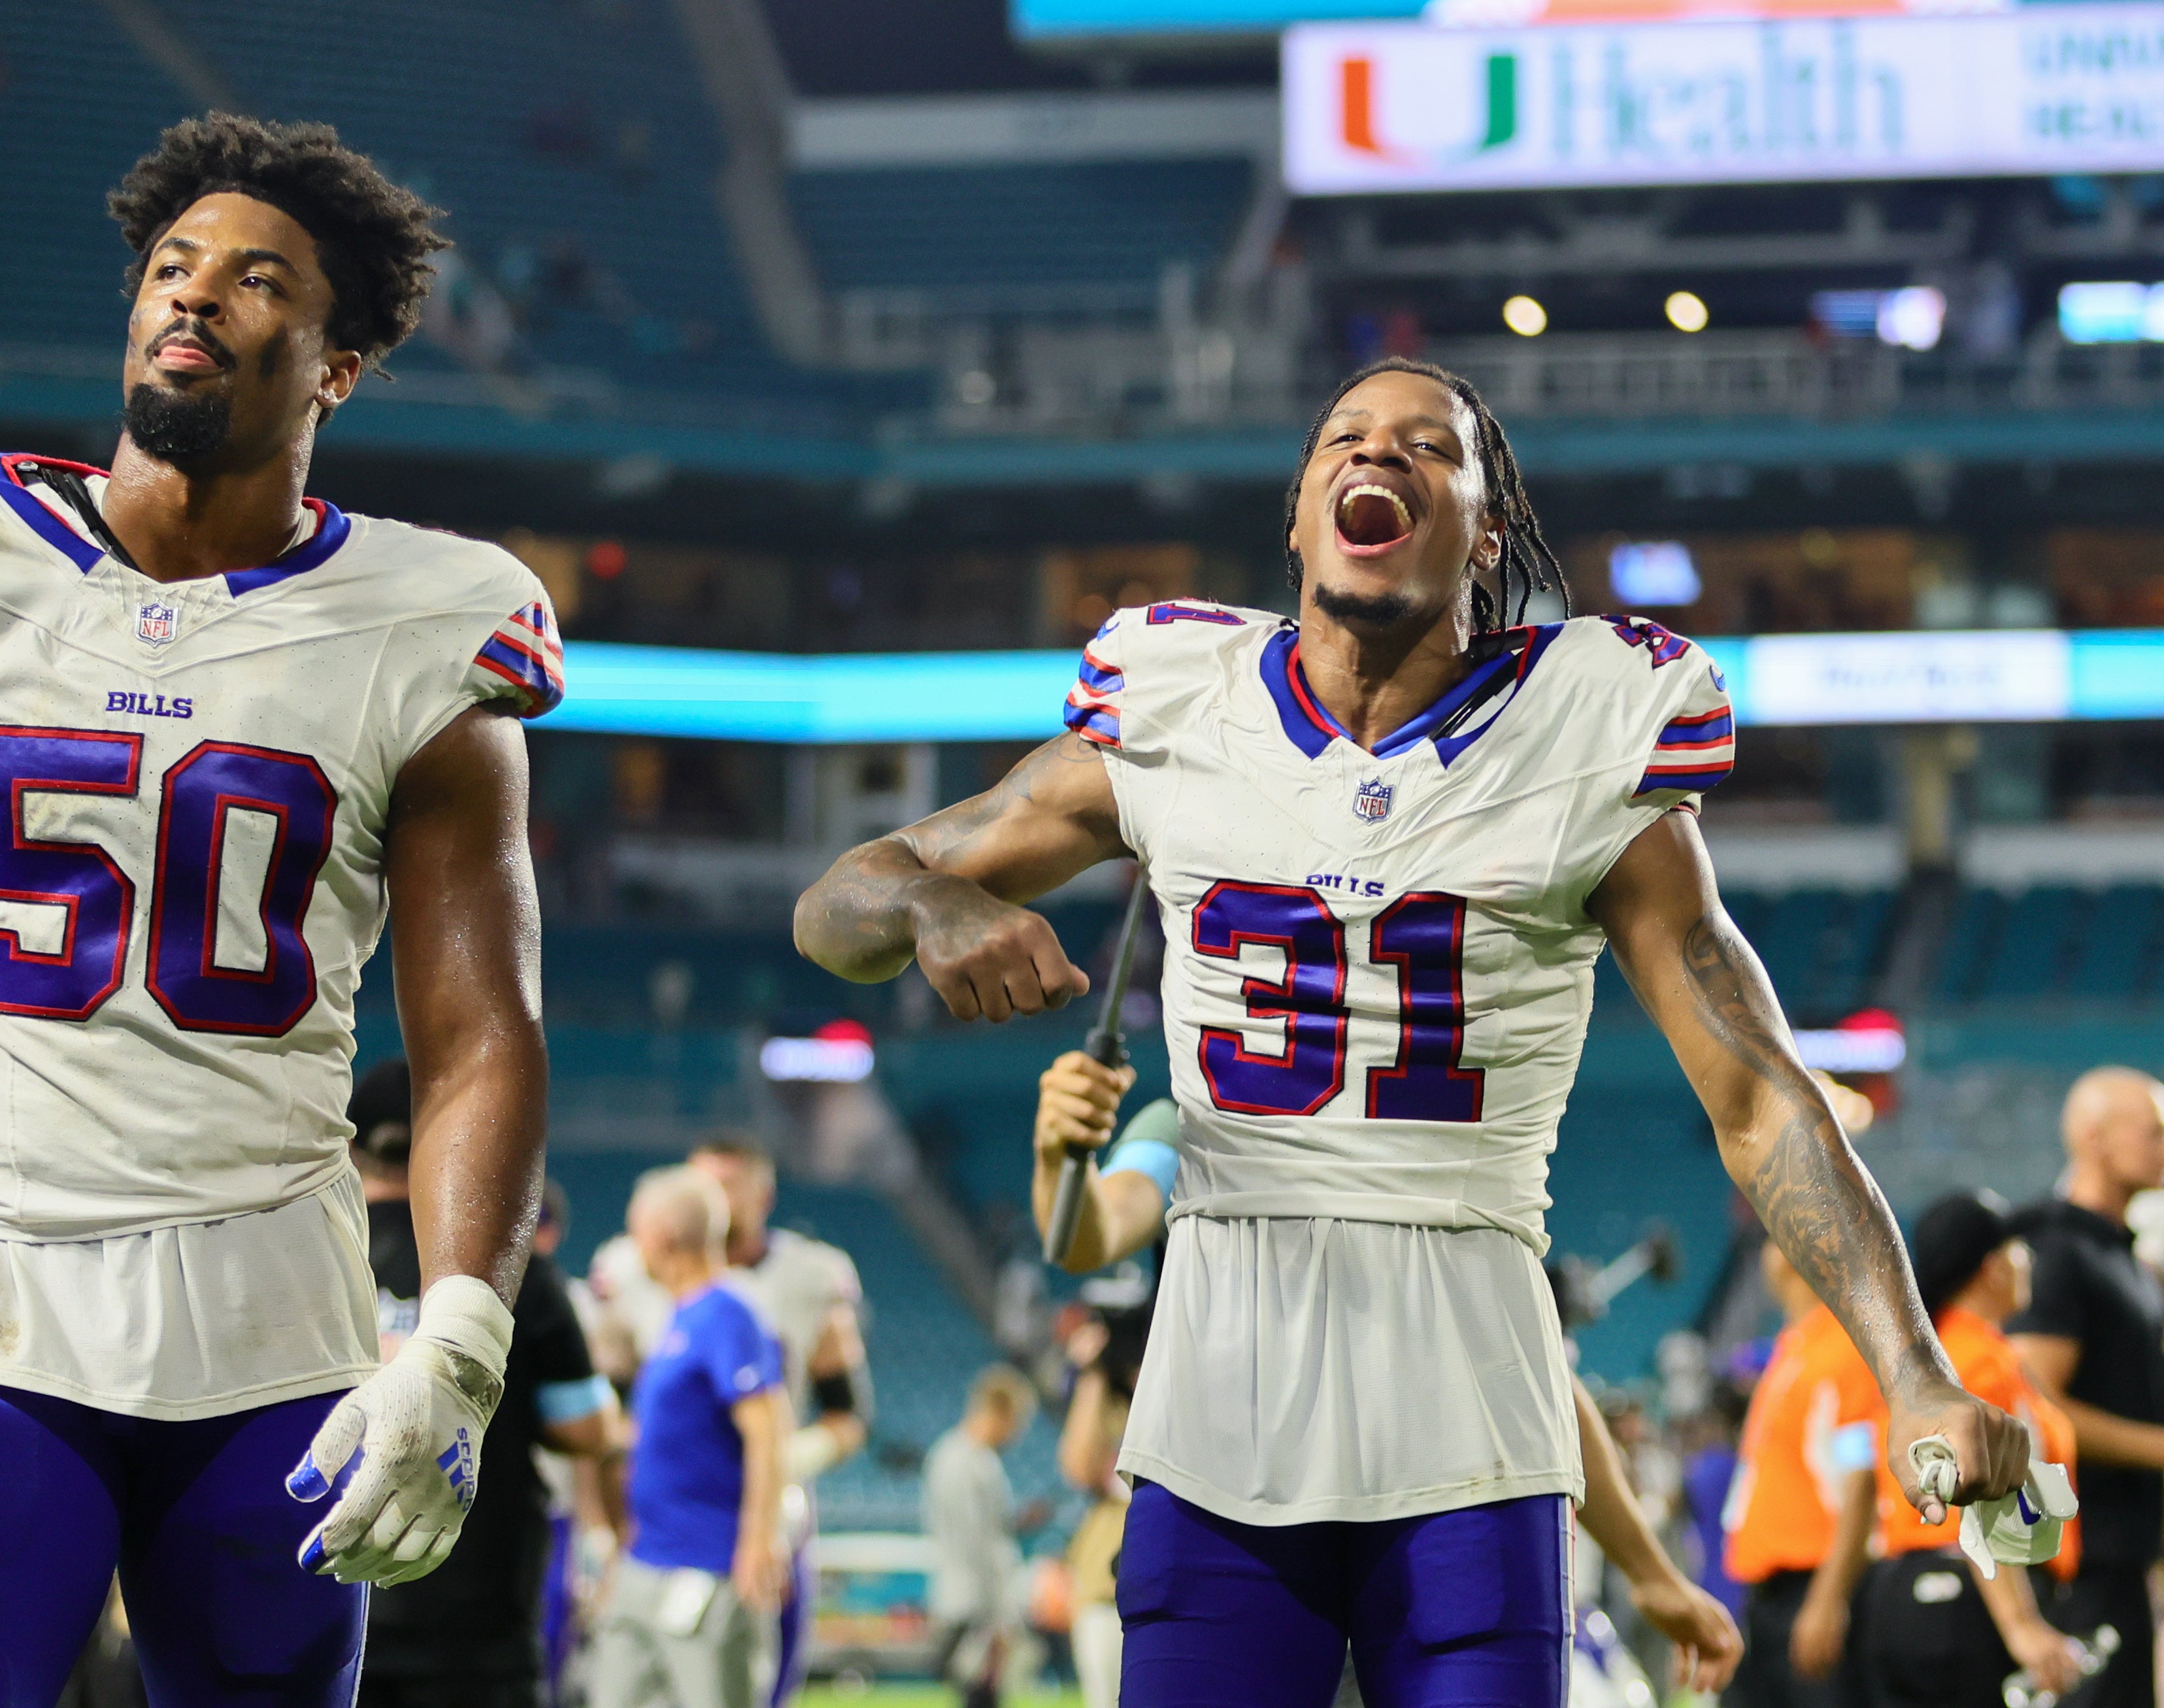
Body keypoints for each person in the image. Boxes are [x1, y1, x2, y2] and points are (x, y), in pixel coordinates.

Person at [793, 355, 2027, 1708]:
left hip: (1473, 1439)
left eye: (1429, 446)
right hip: (1218, 1426)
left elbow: (1760, 1098)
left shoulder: (1582, 739)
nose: (1377, 455)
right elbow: (834, 904)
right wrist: (930, 900)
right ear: (1301, 507)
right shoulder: (1177, 716)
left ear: (1485, 528)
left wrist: (1911, 1368)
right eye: (1345, 435)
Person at [0, 114, 565, 1703]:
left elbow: (480, 1028)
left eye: (259, 280)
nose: (196, 298)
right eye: (171, 266)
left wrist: (465, 1340)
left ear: (338, 363)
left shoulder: (425, 624)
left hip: (275, 1337)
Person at [1032, 1062, 1742, 1695]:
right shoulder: (1195, 1112)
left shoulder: (1415, 1142)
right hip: (1241, 1526)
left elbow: (1526, 1374)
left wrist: (1650, 1573)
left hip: (1417, 1542)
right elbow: (1087, 1231)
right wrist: (1057, 1155)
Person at [348, 1060, 625, 1708]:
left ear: (350, 1147)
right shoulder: (511, 1263)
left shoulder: (306, 1260)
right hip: (472, 1627)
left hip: (320, 1609)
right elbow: (588, 1430)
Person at [588, 1134, 871, 1703]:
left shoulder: (744, 1303)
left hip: (719, 1548)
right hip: (652, 1549)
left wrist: (761, 1531)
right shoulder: (664, 1305)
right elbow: (624, 1422)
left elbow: (793, 1421)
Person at [1828, 1191, 2082, 1708]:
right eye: (2017, 1249)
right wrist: (2022, 1624)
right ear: (1991, 1269)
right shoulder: (1981, 1361)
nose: (2027, 1260)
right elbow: (1981, 1494)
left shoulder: (1918, 1364)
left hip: (1900, 1593)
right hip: (1968, 1602)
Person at [590, 1167, 790, 1708]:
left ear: (658, 1235)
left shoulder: (727, 1313)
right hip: (647, 1562)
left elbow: (768, 1426)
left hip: (709, 1566)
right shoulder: (679, 1321)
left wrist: (757, 1540)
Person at [2008, 1067, 2164, 1708]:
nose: (2163, 1144)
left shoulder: (2122, 1255)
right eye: (2152, 1132)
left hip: (2121, 1555)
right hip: (2076, 1561)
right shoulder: (2056, 1247)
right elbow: (2031, 1402)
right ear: (2095, 1139)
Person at [1723, 1241, 1884, 1708]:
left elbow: (1861, 1477)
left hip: (1816, 1583)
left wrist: (1827, 1600)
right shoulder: (1798, 1345)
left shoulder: (1842, 1348)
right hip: (1774, 1594)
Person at [925, 1364, 1037, 1708]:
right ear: (1002, 1412)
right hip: (978, 1606)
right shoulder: (977, 1463)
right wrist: (1004, 1614)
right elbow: (984, 1546)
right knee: (982, 1698)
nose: (1015, 1434)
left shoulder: (945, 1453)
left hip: (956, 1595)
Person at [1056, 1313, 1144, 1708]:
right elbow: (1080, 1468)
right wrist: (1092, 1373)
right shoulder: (1108, 1410)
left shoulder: (1185, 1399)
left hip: (1174, 1584)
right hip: (1106, 1591)